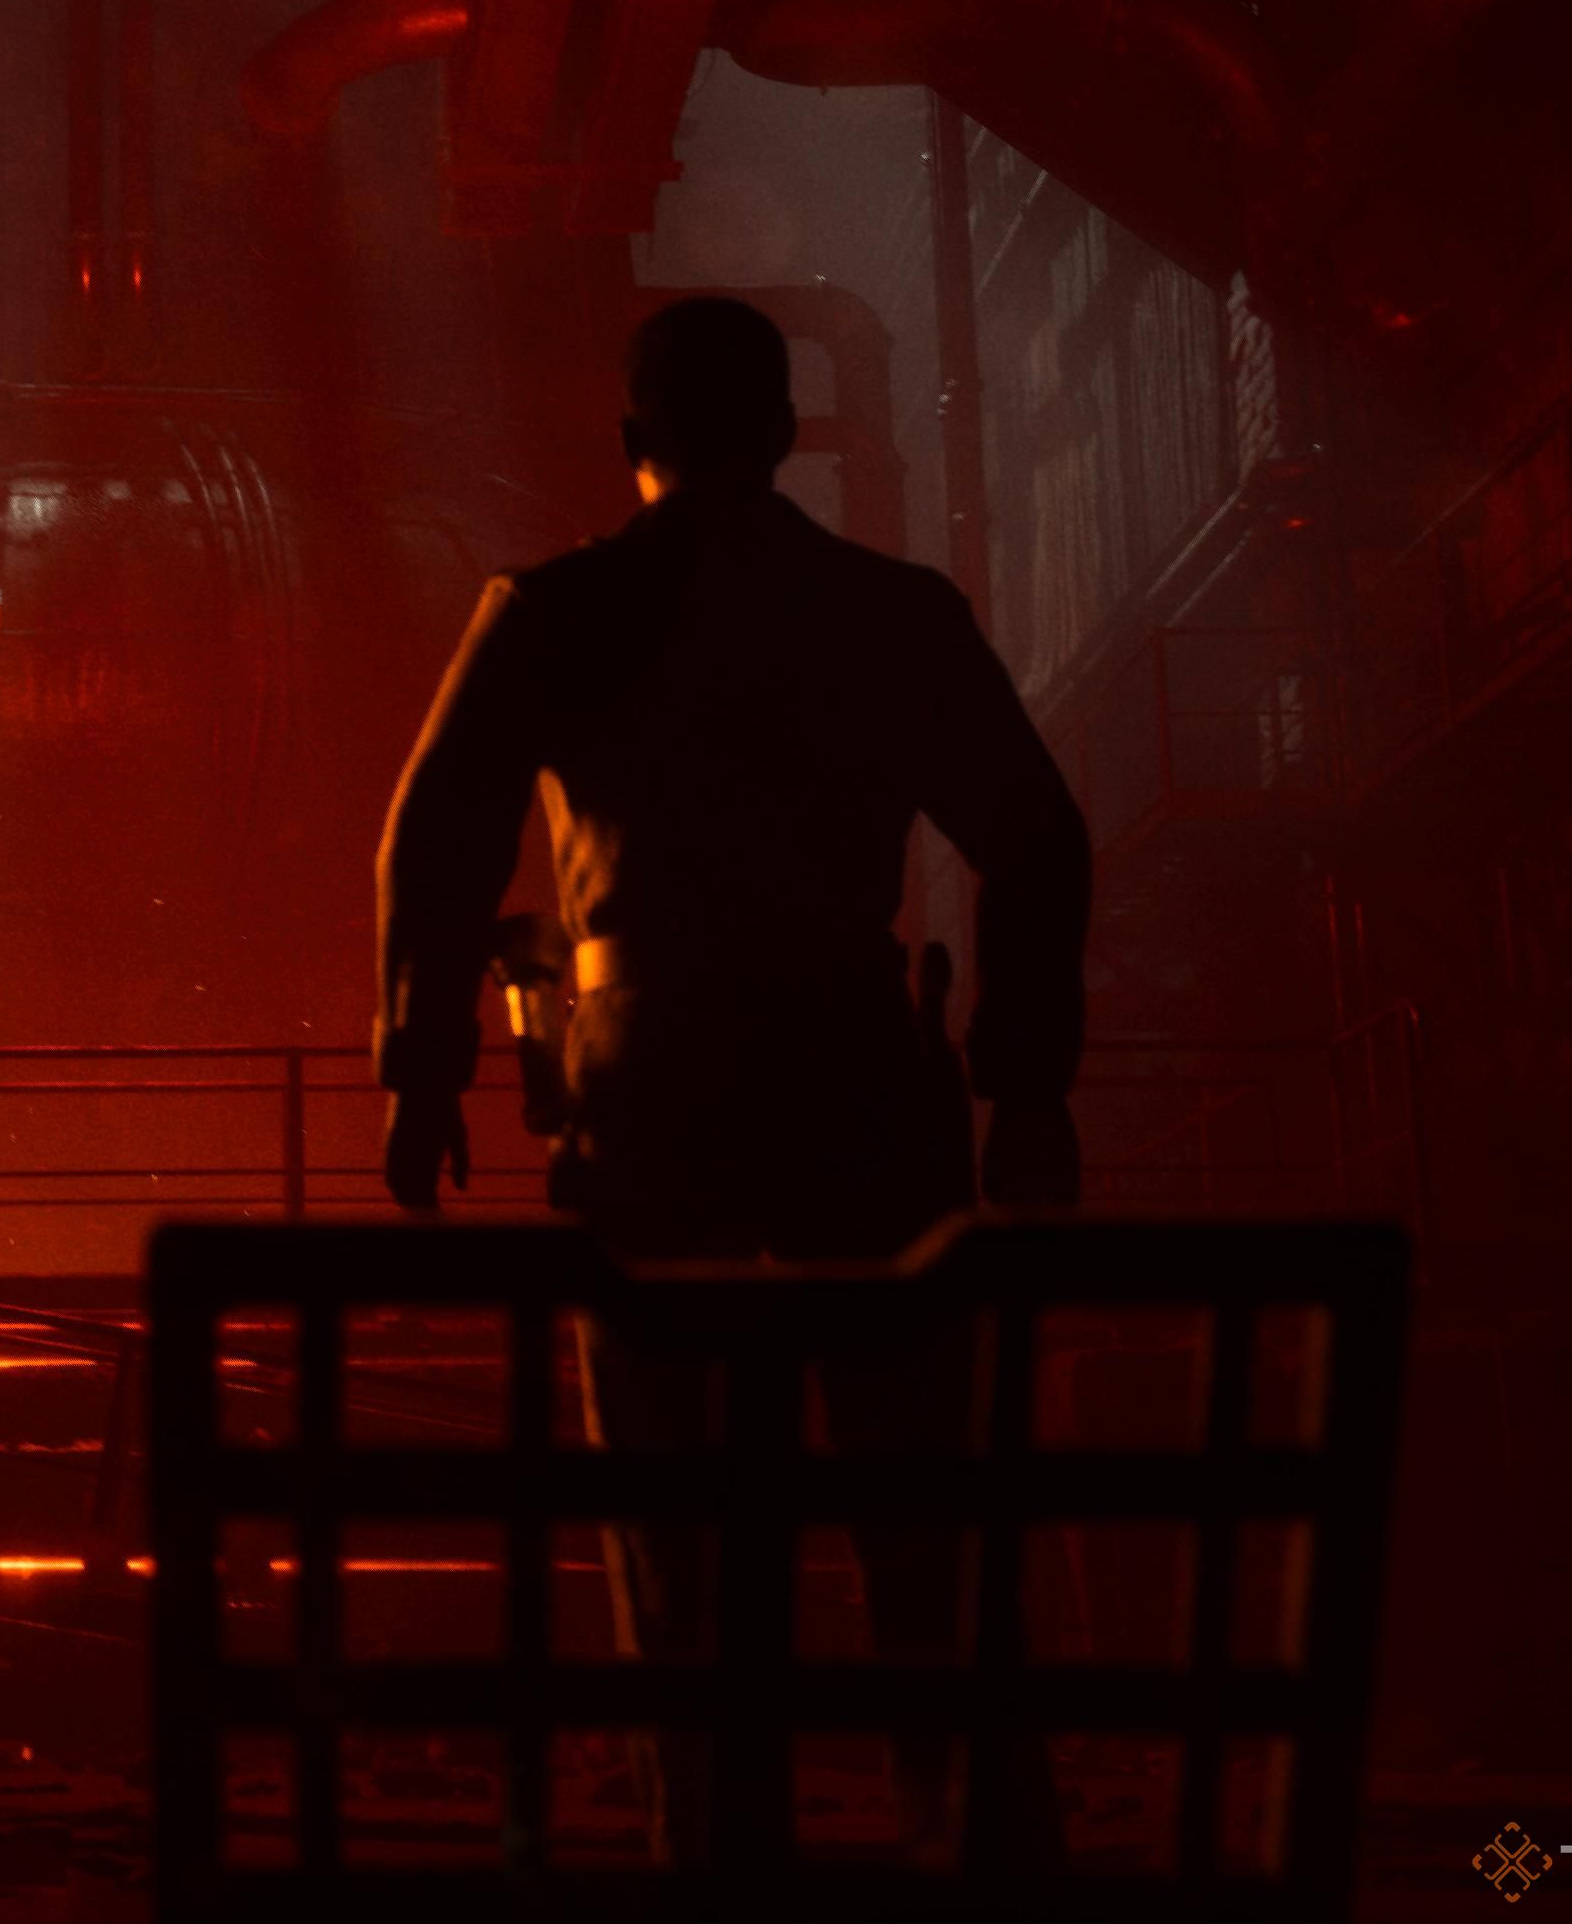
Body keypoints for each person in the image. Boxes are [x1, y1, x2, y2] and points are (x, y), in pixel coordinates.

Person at [371, 293, 1091, 1861]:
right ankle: (980, 1838)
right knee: (921, 1504)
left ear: (633, 445)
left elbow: (439, 845)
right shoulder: (893, 617)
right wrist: (1023, 1085)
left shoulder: (554, 610)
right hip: (852, 1062)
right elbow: (1037, 843)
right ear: (782, 435)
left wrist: (422, 1070)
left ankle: (707, 1845)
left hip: (651, 1082)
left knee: (669, 1515)